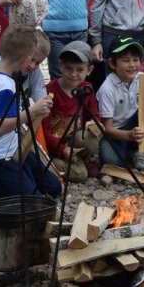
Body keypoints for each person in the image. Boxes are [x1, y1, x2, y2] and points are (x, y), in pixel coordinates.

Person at [0, 25, 60, 199]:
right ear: (26, 59)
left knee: (53, 187)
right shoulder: (6, 87)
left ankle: (9, 181)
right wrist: (33, 110)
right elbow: (0, 127)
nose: (34, 65)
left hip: (14, 148)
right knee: (35, 199)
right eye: (33, 61)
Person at [97, 38, 144, 170]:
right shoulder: (107, 88)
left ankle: (140, 151)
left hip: (138, 127)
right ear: (112, 64)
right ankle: (132, 151)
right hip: (117, 132)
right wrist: (128, 135)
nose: (132, 65)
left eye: (135, 60)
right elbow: (107, 128)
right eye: (126, 60)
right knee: (110, 160)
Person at [41, 41, 102, 183]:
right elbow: (45, 129)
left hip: (75, 141)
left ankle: (81, 160)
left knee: (90, 138)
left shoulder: (87, 88)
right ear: (61, 65)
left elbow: (94, 115)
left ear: (89, 70)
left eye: (80, 70)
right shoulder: (50, 90)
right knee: (80, 175)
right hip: (54, 144)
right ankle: (53, 163)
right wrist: (63, 151)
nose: (74, 74)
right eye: (69, 68)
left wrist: (95, 124)